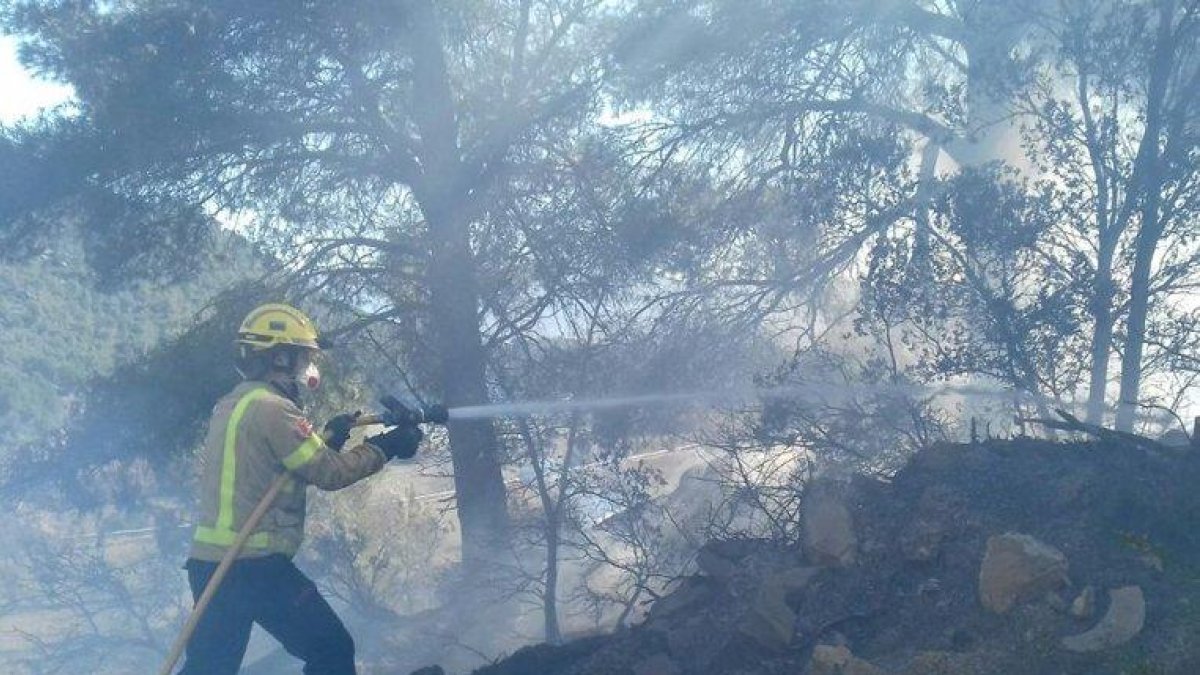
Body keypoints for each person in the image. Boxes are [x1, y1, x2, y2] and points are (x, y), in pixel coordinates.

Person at [180, 303, 422, 674]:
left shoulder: (233, 404)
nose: (309, 368)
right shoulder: (274, 409)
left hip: (212, 565)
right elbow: (330, 474)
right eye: (304, 357)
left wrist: (333, 438)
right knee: (331, 649)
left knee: (210, 670)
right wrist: (385, 447)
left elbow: (284, 468)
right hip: (255, 568)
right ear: (279, 358)